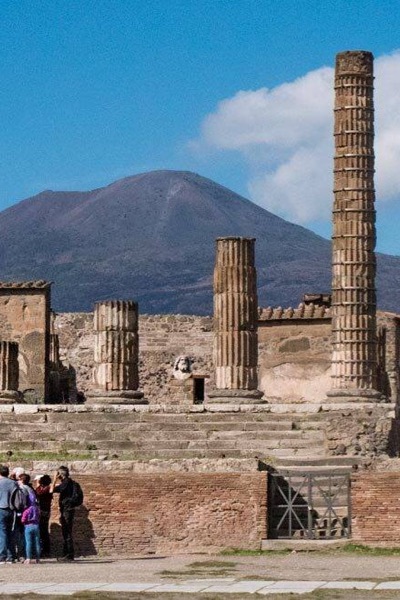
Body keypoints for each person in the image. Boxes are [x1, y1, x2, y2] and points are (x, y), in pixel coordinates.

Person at [50, 466, 76, 561]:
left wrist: (54, 479)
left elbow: (51, 490)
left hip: (67, 510)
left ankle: (69, 555)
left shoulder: (66, 483)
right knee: (66, 532)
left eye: (58, 474)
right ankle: (67, 554)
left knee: (67, 532)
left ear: (60, 474)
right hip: (67, 510)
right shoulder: (70, 482)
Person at [0, 465, 18, 564]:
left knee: (1, 533)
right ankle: (10, 557)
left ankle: (2, 557)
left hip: (1, 508)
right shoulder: (14, 483)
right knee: (11, 533)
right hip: (11, 510)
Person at [21, 485, 40, 564]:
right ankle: (38, 558)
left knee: (28, 542)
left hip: (28, 526)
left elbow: (23, 520)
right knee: (37, 542)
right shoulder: (37, 509)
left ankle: (28, 558)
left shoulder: (27, 510)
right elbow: (39, 517)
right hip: (36, 526)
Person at [34, 475, 52, 557]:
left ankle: (45, 551)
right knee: (42, 531)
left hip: (44, 512)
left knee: (43, 532)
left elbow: (39, 493)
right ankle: (42, 550)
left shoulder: (47, 489)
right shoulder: (44, 488)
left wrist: (38, 483)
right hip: (43, 512)